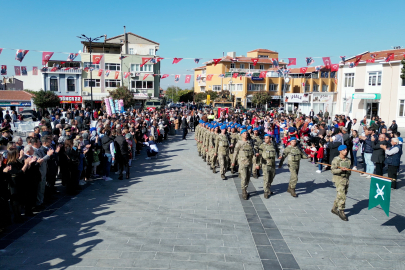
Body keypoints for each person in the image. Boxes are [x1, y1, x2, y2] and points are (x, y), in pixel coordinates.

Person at [231, 129, 255, 200]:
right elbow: (235, 153)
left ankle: (245, 188)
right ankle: (244, 191)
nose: (246, 134)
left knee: (248, 177)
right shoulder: (239, 143)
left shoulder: (250, 143)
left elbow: (252, 153)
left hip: (249, 162)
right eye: (244, 133)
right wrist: (233, 162)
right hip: (242, 162)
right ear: (241, 134)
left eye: (246, 133)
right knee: (244, 177)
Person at [331, 145, 351, 221]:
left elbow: (349, 170)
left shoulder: (348, 160)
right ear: (340, 151)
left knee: (341, 194)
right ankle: (341, 211)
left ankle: (334, 208)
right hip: (338, 180)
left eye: (346, 150)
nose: (345, 151)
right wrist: (341, 170)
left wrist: (348, 170)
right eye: (344, 150)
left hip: (346, 179)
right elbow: (333, 170)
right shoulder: (336, 160)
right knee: (342, 196)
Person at [259, 134, 279, 198]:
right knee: (266, 178)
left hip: (272, 163)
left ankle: (268, 188)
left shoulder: (273, 145)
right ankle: (266, 192)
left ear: (270, 139)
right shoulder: (263, 146)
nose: (265, 139)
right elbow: (259, 155)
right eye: (265, 138)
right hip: (265, 164)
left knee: (272, 176)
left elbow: (277, 151)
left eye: (267, 138)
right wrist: (258, 164)